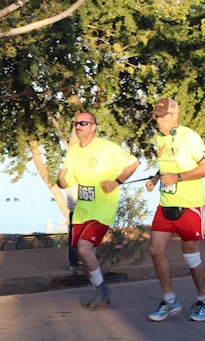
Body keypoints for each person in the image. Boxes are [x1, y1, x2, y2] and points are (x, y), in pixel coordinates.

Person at [57, 112, 139, 308]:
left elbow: (133, 163)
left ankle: (102, 290)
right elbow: (65, 182)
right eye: (76, 123)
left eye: (83, 123)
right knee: (83, 253)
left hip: (102, 208)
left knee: (84, 249)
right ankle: (100, 292)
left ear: (93, 127)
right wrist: (60, 180)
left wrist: (116, 182)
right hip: (82, 210)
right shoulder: (73, 151)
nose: (78, 126)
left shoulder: (107, 148)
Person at [145, 97, 205, 322]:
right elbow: (166, 166)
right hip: (166, 204)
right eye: (156, 117)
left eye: (163, 116)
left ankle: (203, 301)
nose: (159, 121)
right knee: (155, 250)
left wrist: (179, 177)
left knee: (191, 255)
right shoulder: (159, 138)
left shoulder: (190, 137)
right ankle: (170, 300)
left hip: (190, 206)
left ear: (175, 115)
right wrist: (155, 178)